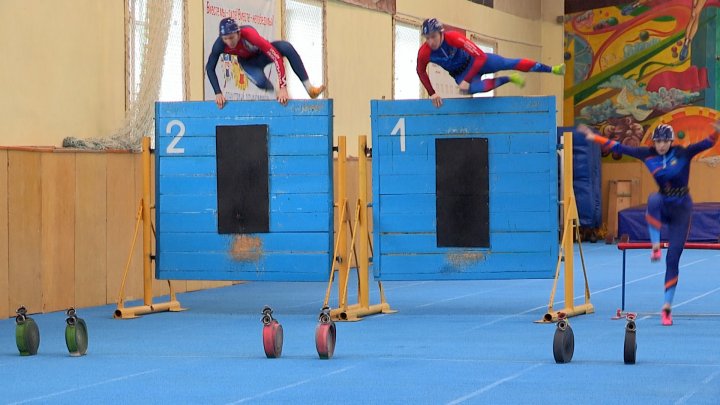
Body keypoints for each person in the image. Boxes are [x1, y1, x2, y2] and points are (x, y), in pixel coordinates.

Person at [578, 122, 719, 326]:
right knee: (653, 199)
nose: (661, 145)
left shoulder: (683, 153)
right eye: (658, 141)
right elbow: (619, 147)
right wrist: (594, 138)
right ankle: (655, 247)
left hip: (681, 210)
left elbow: (707, 143)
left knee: (673, 260)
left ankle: (667, 307)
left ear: (671, 141)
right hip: (663, 202)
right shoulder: (647, 154)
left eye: (664, 141)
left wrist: (717, 131)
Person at [416, 18, 565, 108]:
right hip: (460, 73)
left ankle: (553, 69)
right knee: (471, 89)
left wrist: (467, 79)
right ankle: (510, 79)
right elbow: (420, 71)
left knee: (508, 63)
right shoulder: (424, 52)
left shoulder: (454, 38)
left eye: (433, 36)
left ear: (441, 33)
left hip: (476, 61)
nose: (431, 41)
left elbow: (480, 57)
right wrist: (432, 93)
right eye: (427, 38)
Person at [206, 18, 325, 108]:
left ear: (238, 33)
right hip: (248, 63)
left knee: (286, 47)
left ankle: (309, 88)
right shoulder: (219, 45)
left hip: (262, 55)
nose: (229, 42)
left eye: (231, 37)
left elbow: (276, 57)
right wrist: (218, 93)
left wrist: (283, 87)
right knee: (261, 81)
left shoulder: (250, 35)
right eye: (225, 39)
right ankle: (278, 95)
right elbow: (210, 68)